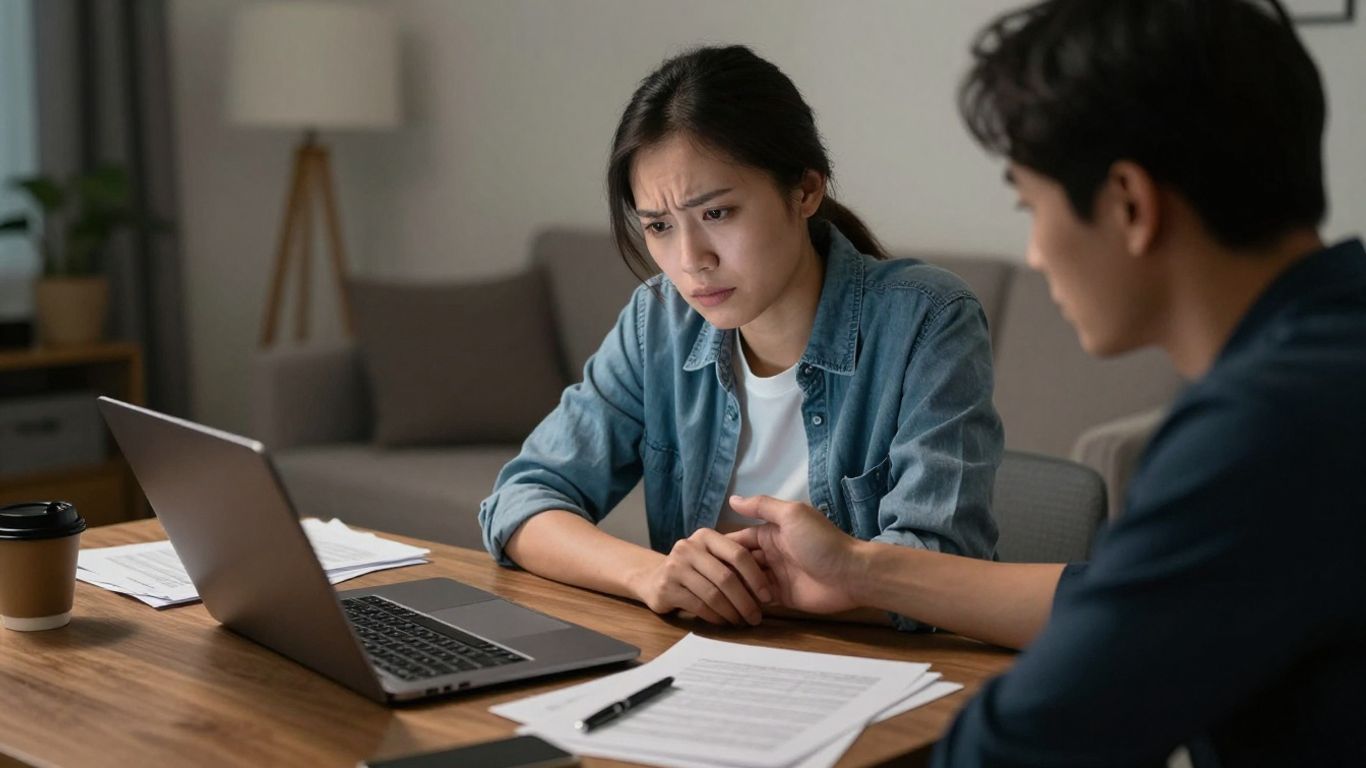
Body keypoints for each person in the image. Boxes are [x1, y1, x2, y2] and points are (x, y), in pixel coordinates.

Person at [730, 0, 1366, 764]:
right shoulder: (1331, 355)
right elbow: (1123, 600)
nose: (1034, 254)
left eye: (1032, 207)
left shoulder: (1260, 429)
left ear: (1130, 204)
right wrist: (862, 570)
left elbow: (1023, 747)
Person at [479, 45, 1003, 630]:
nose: (689, 260)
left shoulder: (927, 319)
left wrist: (776, 588)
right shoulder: (658, 322)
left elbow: (949, 564)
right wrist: (651, 576)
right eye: (658, 226)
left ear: (804, 191)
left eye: (718, 214)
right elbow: (521, 501)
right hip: (705, 668)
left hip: (879, 674)